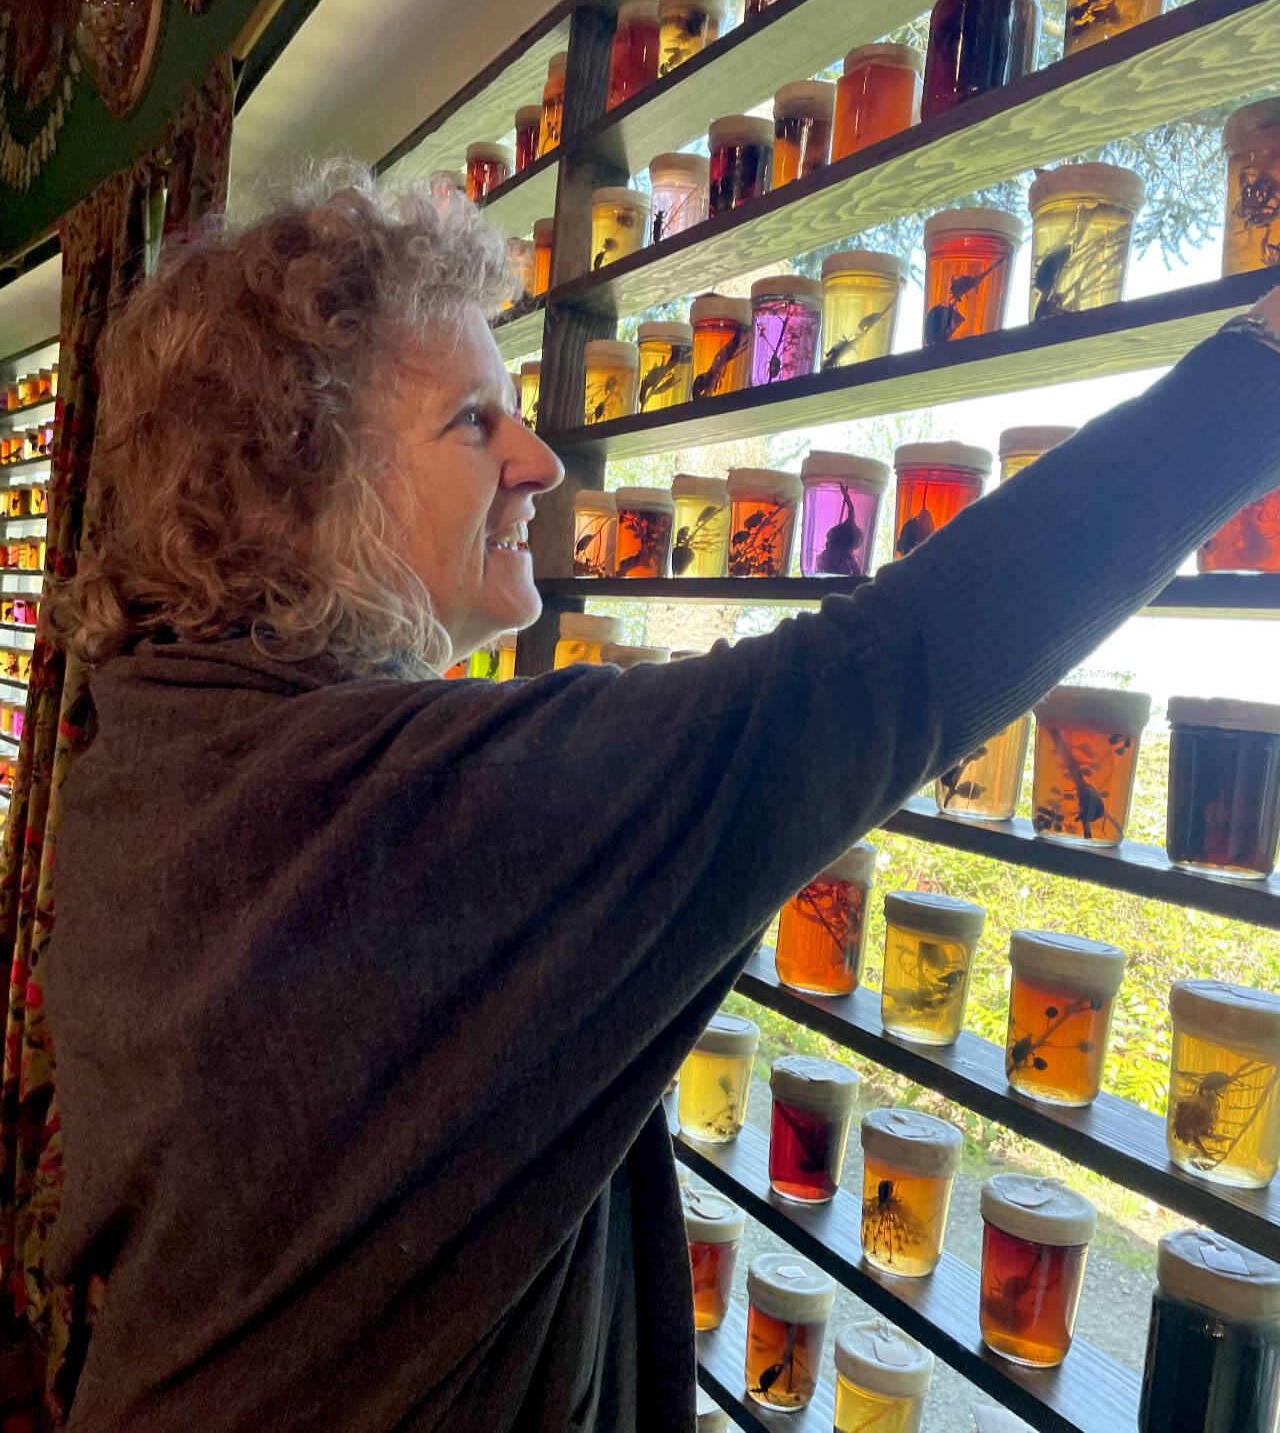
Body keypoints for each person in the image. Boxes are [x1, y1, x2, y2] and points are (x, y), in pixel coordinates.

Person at [42, 164, 1280, 1433]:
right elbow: (880, 675)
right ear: (297, 476)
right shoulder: (395, 813)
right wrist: (1257, 372)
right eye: (473, 421)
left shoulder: (155, 750)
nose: (540, 458)